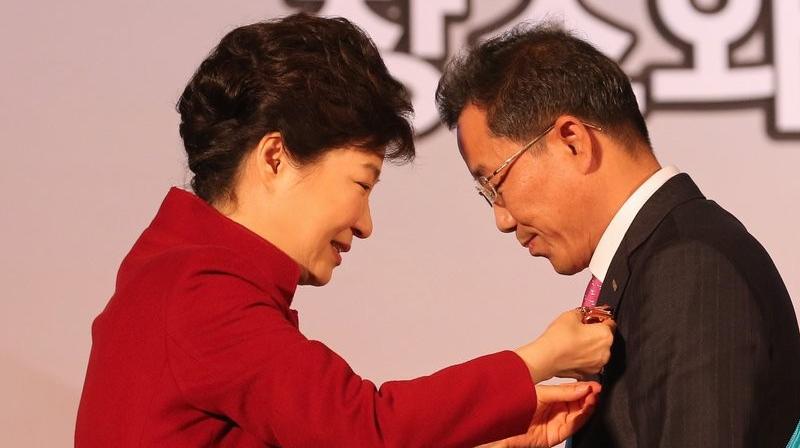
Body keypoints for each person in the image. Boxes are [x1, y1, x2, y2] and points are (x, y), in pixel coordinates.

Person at [74, 14, 617, 448]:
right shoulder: (201, 291)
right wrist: (539, 358)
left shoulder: (179, 278)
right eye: (361, 183)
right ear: (275, 158)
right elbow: (364, 428)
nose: (365, 224)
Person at [436, 22, 800, 447]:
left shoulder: (690, 269)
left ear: (572, 142)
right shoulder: (661, 262)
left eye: (494, 183)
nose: (502, 219)